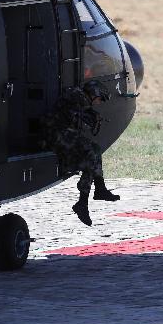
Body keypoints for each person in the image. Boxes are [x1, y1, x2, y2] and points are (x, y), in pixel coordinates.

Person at [41, 80, 120, 226]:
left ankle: (88, 199)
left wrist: (92, 115)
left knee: (92, 157)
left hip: (61, 134)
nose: (99, 102)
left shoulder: (78, 97)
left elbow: (79, 113)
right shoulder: (77, 96)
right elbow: (76, 116)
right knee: (93, 151)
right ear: (94, 93)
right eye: (100, 99)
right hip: (56, 135)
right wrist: (91, 118)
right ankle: (94, 194)